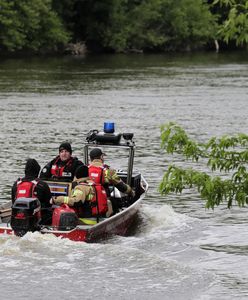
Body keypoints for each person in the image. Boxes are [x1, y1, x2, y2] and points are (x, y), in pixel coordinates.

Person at [11, 158, 52, 224]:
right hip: (38, 221)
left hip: (17, 221)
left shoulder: (16, 184)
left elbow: (13, 202)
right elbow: (49, 204)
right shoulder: (42, 185)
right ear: (37, 171)